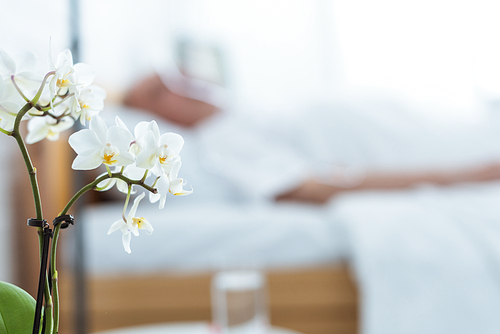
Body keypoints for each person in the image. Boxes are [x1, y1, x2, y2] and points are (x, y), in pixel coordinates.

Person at [123, 73, 500, 204]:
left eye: (169, 74)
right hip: (402, 145)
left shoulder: (243, 110)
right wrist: (466, 176)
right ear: (154, 122)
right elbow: (313, 187)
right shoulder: (222, 144)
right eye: (159, 92)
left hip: (413, 119)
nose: (179, 82)